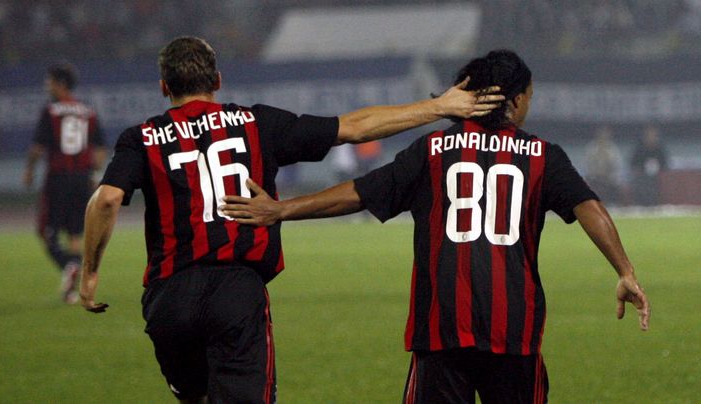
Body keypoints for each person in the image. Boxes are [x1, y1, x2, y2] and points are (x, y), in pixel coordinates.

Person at [79, 36, 504, 404]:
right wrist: (438, 106)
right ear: (218, 81)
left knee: (194, 395)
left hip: (168, 296)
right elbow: (355, 128)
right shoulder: (255, 123)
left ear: (164, 86)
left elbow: (106, 201)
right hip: (235, 289)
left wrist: (90, 275)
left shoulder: (142, 137)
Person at [223, 49, 651, 404]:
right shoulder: (541, 154)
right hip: (513, 332)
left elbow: (359, 192)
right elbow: (589, 207)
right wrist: (625, 271)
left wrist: (282, 210)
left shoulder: (431, 151)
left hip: (442, 328)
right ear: (517, 100)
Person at [24, 63, 106, 304]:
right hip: (82, 178)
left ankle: (67, 266)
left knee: (46, 231)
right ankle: (71, 290)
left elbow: (38, 148)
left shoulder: (50, 111)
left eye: (49, 82)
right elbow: (99, 148)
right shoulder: (88, 112)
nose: (46, 86)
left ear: (60, 84)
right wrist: (95, 174)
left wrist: (29, 170)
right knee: (74, 233)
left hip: (58, 178)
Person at [584, 125, 625, 205]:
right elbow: (587, 166)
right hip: (595, 179)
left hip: (609, 179)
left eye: (605, 134)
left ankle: (617, 206)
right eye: (601, 133)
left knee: (621, 187)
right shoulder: (591, 148)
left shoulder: (612, 149)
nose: (603, 136)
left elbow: (617, 166)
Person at [630, 125, 668, 206]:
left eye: (653, 135)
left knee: (653, 184)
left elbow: (665, 164)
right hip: (642, 176)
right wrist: (642, 168)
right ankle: (640, 204)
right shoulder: (640, 148)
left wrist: (657, 167)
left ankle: (654, 204)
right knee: (641, 182)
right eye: (649, 135)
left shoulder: (659, 149)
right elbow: (633, 163)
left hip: (656, 177)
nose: (651, 137)